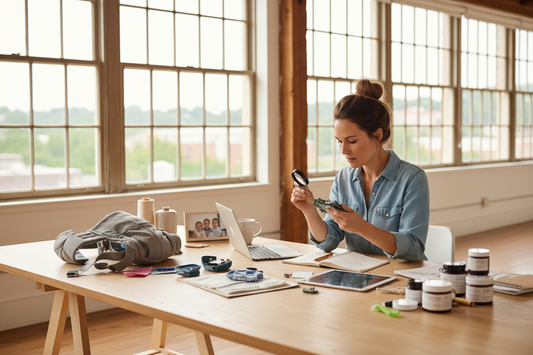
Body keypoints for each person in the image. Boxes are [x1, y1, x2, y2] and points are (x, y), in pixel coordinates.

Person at [291, 79, 429, 261]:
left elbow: (413, 249)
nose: (343, 150)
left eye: (352, 141)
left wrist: (361, 227)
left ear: (377, 135)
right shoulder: (343, 179)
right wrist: (308, 209)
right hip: (359, 278)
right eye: (339, 141)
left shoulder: (412, 178)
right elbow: (327, 242)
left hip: (402, 278)